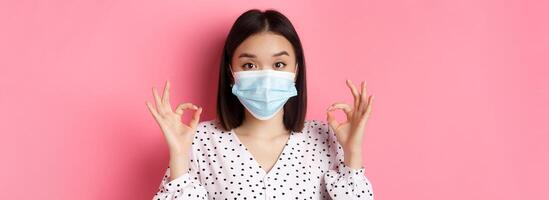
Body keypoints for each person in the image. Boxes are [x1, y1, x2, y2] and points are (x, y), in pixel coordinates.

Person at [146, 9, 375, 200]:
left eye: (278, 64)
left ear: (296, 70)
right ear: (230, 71)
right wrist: (178, 155)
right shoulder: (199, 140)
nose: (266, 77)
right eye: (249, 65)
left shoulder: (324, 138)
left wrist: (352, 152)